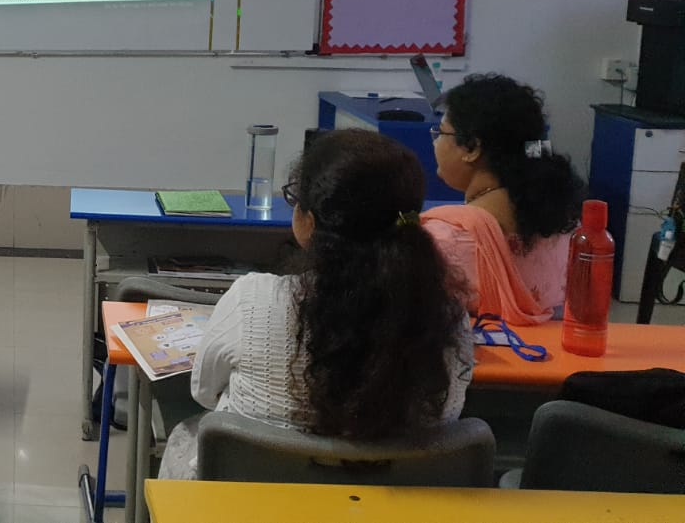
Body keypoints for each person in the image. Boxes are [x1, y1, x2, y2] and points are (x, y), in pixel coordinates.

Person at [159, 129, 473, 479]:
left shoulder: (252, 301)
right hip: (394, 499)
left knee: (187, 435)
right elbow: (451, 409)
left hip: (257, 496)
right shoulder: (448, 317)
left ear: (309, 222)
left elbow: (203, 391)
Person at [422, 74, 585, 324]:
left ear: (472, 148)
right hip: (552, 344)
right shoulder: (568, 224)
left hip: (483, 349)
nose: (435, 144)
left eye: (440, 133)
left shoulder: (443, 240)